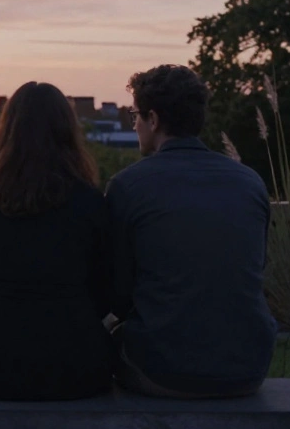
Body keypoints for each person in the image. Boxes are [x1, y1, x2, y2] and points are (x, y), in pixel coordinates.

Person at [106, 65, 277, 398]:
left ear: (153, 119)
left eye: (135, 116)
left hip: (164, 368)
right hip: (247, 367)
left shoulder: (128, 186)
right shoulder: (250, 183)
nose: (135, 125)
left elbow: (118, 292)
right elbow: (253, 269)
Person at [0, 81, 114, 401]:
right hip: (74, 364)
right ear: (67, 132)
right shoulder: (91, 201)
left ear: (5, 131)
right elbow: (107, 290)